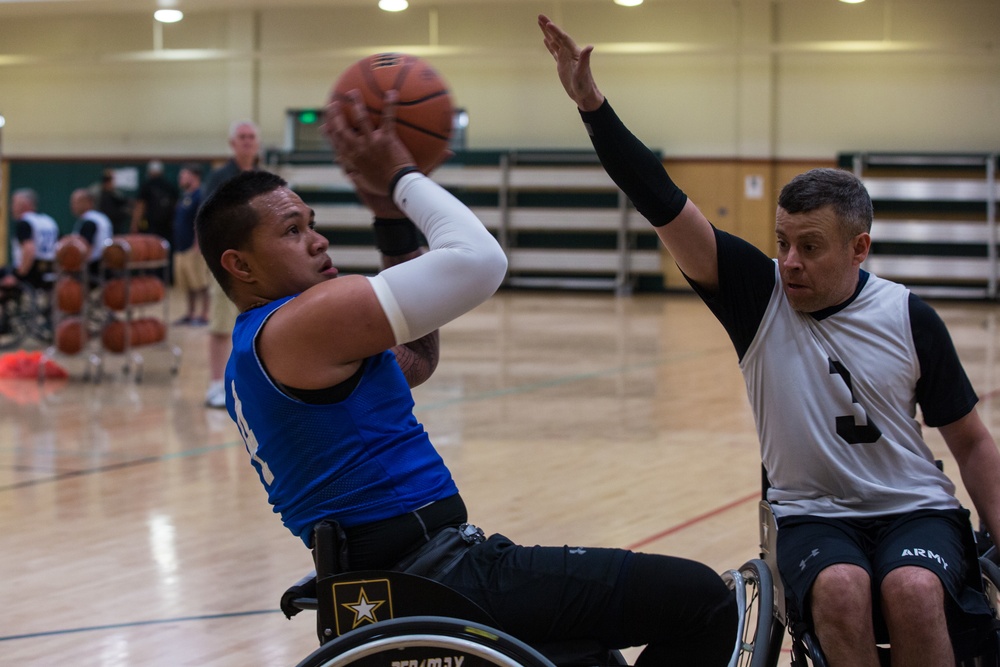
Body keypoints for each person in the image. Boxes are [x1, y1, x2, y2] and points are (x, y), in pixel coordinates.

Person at [196, 89, 737, 666]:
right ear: (240, 264)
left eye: (313, 223)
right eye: (292, 231)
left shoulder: (252, 357)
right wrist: (402, 177)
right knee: (704, 600)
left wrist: (388, 220)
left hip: (402, 579)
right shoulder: (301, 323)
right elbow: (481, 260)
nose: (318, 239)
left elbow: (418, 361)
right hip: (445, 575)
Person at [538, 14, 1000, 667]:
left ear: (858, 247)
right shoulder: (758, 297)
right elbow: (662, 200)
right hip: (811, 512)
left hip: (913, 508)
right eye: (783, 242)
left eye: (809, 247)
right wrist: (593, 107)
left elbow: (972, 443)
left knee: (915, 589)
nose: (789, 261)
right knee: (842, 591)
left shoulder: (909, 315)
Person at [202, 120, 261, 408]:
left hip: (259, 261)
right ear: (232, 143)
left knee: (258, 323)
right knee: (221, 322)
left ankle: (250, 384)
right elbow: (206, 218)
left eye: (251, 137)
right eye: (242, 137)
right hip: (225, 260)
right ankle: (216, 385)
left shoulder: (262, 178)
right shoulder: (220, 177)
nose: (247, 141)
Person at [170, 163, 209, 325]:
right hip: (180, 246)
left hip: (194, 248)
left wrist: (198, 244)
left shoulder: (201, 195)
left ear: (194, 176)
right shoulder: (185, 195)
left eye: (183, 175)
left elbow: (201, 220)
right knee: (187, 284)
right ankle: (190, 314)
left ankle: (204, 315)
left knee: (200, 283)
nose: (180, 179)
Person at [3, 188, 59, 290]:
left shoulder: (24, 222)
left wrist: (17, 276)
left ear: (25, 204)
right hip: (50, 271)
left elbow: (29, 250)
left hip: (30, 274)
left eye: (14, 203)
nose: (11, 207)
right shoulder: (48, 221)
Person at [131, 160, 179, 252]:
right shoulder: (170, 187)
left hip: (150, 227)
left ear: (149, 172)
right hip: (167, 228)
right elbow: (176, 207)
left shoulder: (146, 186)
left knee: (149, 252)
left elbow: (140, 207)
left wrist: (134, 226)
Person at [69, 187, 114, 283]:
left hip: (93, 267)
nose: (72, 206)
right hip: (106, 263)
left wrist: (78, 268)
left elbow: (86, 247)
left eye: (76, 202)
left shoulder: (89, 221)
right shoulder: (101, 218)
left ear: (88, 202)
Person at [97, 169, 131, 235]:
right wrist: (125, 212)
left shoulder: (112, 194)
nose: (113, 184)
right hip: (109, 229)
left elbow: (120, 201)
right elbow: (111, 213)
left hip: (114, 228)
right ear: (106, 183)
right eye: (111, 182)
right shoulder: (104, 196)